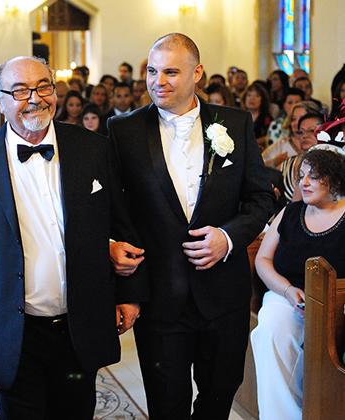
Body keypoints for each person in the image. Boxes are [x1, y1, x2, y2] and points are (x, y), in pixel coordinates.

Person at [0, 56, 146, 419]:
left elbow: (122, 226)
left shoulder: (93, 149)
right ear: (0, 99)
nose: (35, 98)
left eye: (43, 86)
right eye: (20, 90)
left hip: (80, 323)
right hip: (12, 327)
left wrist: (129, 295)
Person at [107, 33, 275, 420]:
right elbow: (118, 214)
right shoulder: (124, 132)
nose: (157, 81)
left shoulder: (233, 123)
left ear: (197, 72)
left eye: (170, 71)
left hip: (224, 296)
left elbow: (260, 198)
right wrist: (124, 280)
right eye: (151, 71)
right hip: (160, 297)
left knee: (218, 400)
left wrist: (229, 236)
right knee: (167, 406)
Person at [251, 147, 345, 420]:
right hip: (287, 297)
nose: (303, 183)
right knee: (270, 328)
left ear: (336, 179)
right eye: (301, 175)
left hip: (337, 302)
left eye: (313, 177)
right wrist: (287, 290)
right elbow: (263, 259)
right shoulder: (291, 213)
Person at [281, 112, 325, 203]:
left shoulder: (330, 166)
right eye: (301, 132)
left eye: (311, 131)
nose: (304, 136)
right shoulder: (289, 163)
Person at [263, 99, 318, 169]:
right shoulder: (282, 143)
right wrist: (274, 162)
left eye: (301, 118)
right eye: (293, 119)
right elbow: (257, 167)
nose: (296, 123)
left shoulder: (321, 143)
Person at [241, 82, 273, 152]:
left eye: (257, 96)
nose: (252, 99)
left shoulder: (266, 117)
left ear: (262, 100)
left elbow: (269, 136)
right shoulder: (239, 116)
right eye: (249, 95)